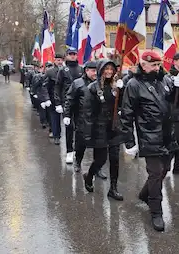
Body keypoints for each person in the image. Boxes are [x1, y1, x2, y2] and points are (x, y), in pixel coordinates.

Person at [120, 51, 179, 232]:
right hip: (149, 136)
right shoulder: (134, 84)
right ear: (143, 65)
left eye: (158, 65)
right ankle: (156, 212)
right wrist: (129, 142)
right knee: (156, 173)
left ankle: (145, 194)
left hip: (168, 135)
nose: (157, 68)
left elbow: (177, 101)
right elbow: (127, 114)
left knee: (165, 170)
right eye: (153, 65)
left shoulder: (165, 80)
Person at [82, 59, 124, 201]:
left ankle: (113, 188)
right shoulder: (93, 88)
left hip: (114, 128)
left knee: (115, 159)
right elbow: (87, 112)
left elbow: (122, 105)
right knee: (100, 159)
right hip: (99, 129)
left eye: (111, 69)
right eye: (106, 69)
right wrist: (87, 135)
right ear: (101, 70)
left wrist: (121, 90)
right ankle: (89, 176)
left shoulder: (116, 87)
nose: (109, 72)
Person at [64, 61, 97, 172]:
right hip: (82, 118)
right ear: (86, 70)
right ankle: (78, 161)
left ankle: (98, 167)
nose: (95, 73)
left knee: (99, 144)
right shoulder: (78, 83)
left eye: (96, 70)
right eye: (93, 71)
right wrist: (67, 114)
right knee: (81, 143)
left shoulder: (100, 83)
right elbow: (70, 99)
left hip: (98, 118)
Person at [43, 53, 72, 145]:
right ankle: (56, 136)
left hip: (65, 99)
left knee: (68, 119)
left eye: (61, 60)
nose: (59, 62)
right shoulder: (50, 72)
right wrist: (46, 98)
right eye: (58, 60)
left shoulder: (66, 70)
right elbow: (44, 86)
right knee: (55, 119)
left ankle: (70, 139)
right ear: (54, 60)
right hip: (53, 99)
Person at [63, 48, 84, 164]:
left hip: (80, 103)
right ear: (66, 56)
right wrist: (58, 103)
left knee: (79, 128)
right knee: (69, 128)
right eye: (70, 54)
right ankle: (69, 151)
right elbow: (58, 87)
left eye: (74, 54)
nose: (72, 56)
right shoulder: (63, 70)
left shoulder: (81, 69)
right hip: (67, 102)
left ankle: (77, 149)